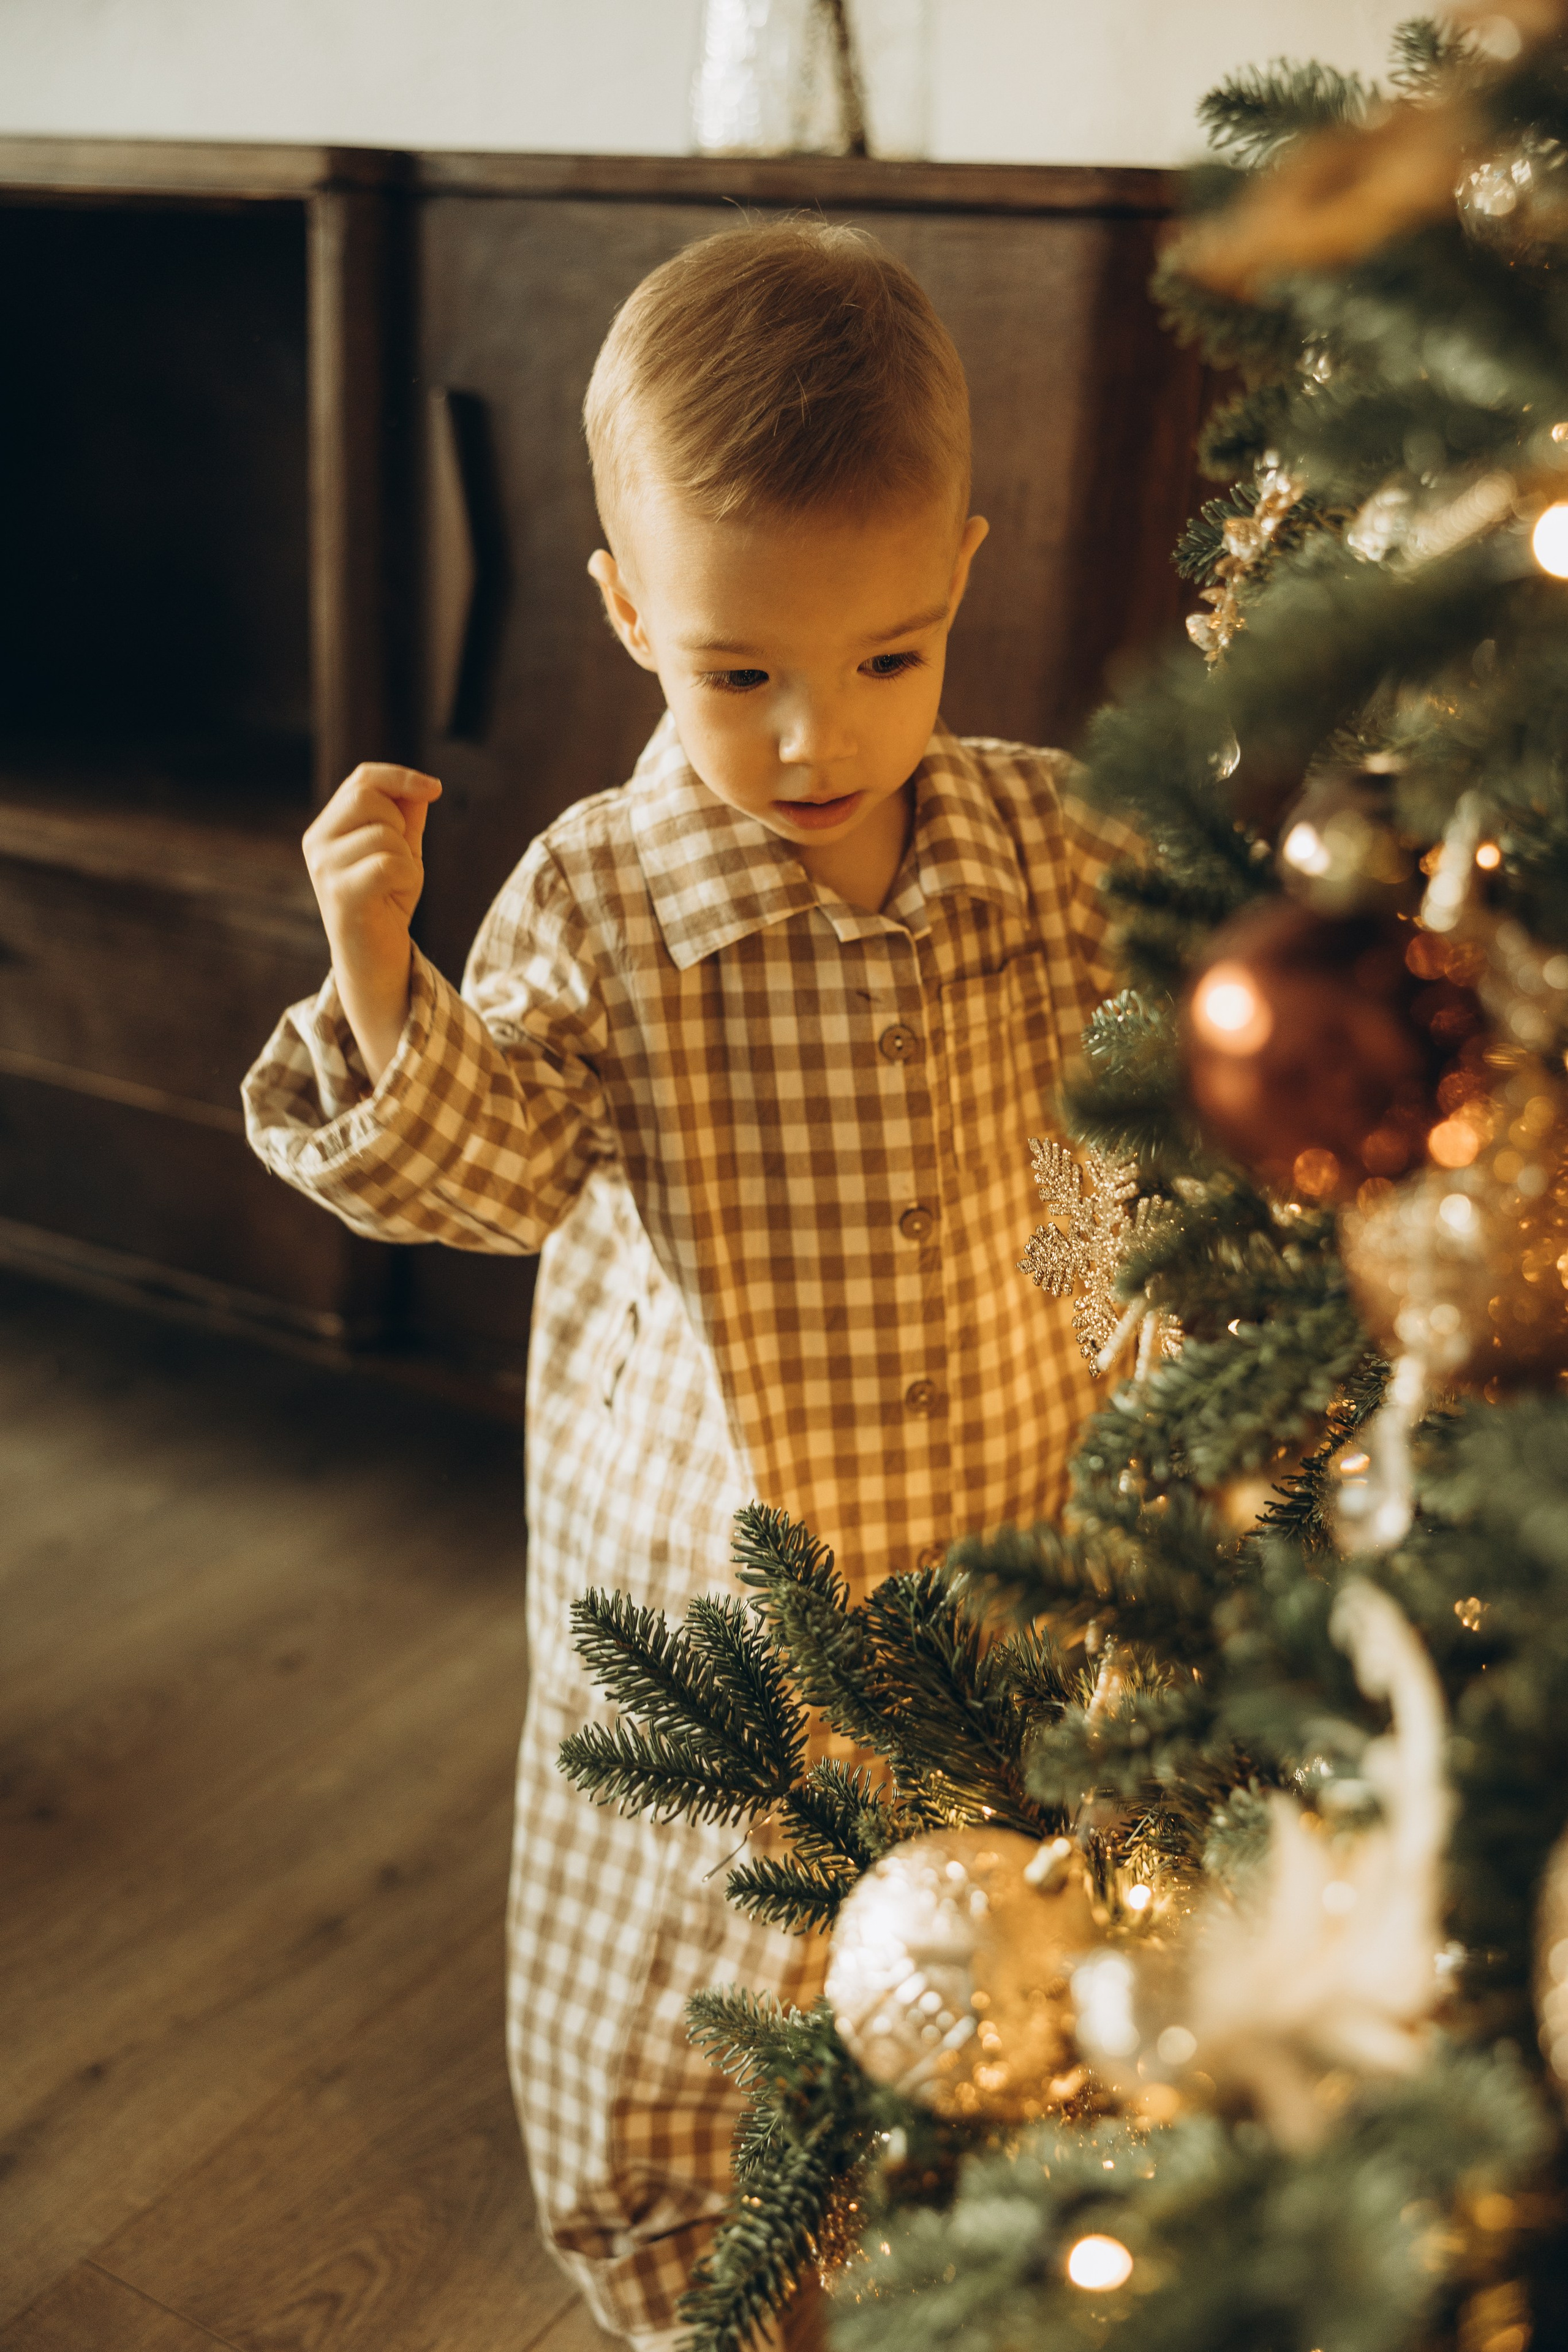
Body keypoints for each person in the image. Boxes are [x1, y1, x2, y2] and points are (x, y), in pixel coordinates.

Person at [243, 219, 1130, 2350]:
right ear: (633, 611)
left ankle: (988, 2188)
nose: (821, 734)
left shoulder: (1044, 842)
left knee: (991, 1905)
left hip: (1017, 1518)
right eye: (738, 674)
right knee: (686, 1940)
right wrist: (384, 974)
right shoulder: (605, 893)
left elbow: (1154, 1085)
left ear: (965, 576)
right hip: (714, 1584)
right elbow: (490, 1170)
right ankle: (676, 2259)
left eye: (889, 657)